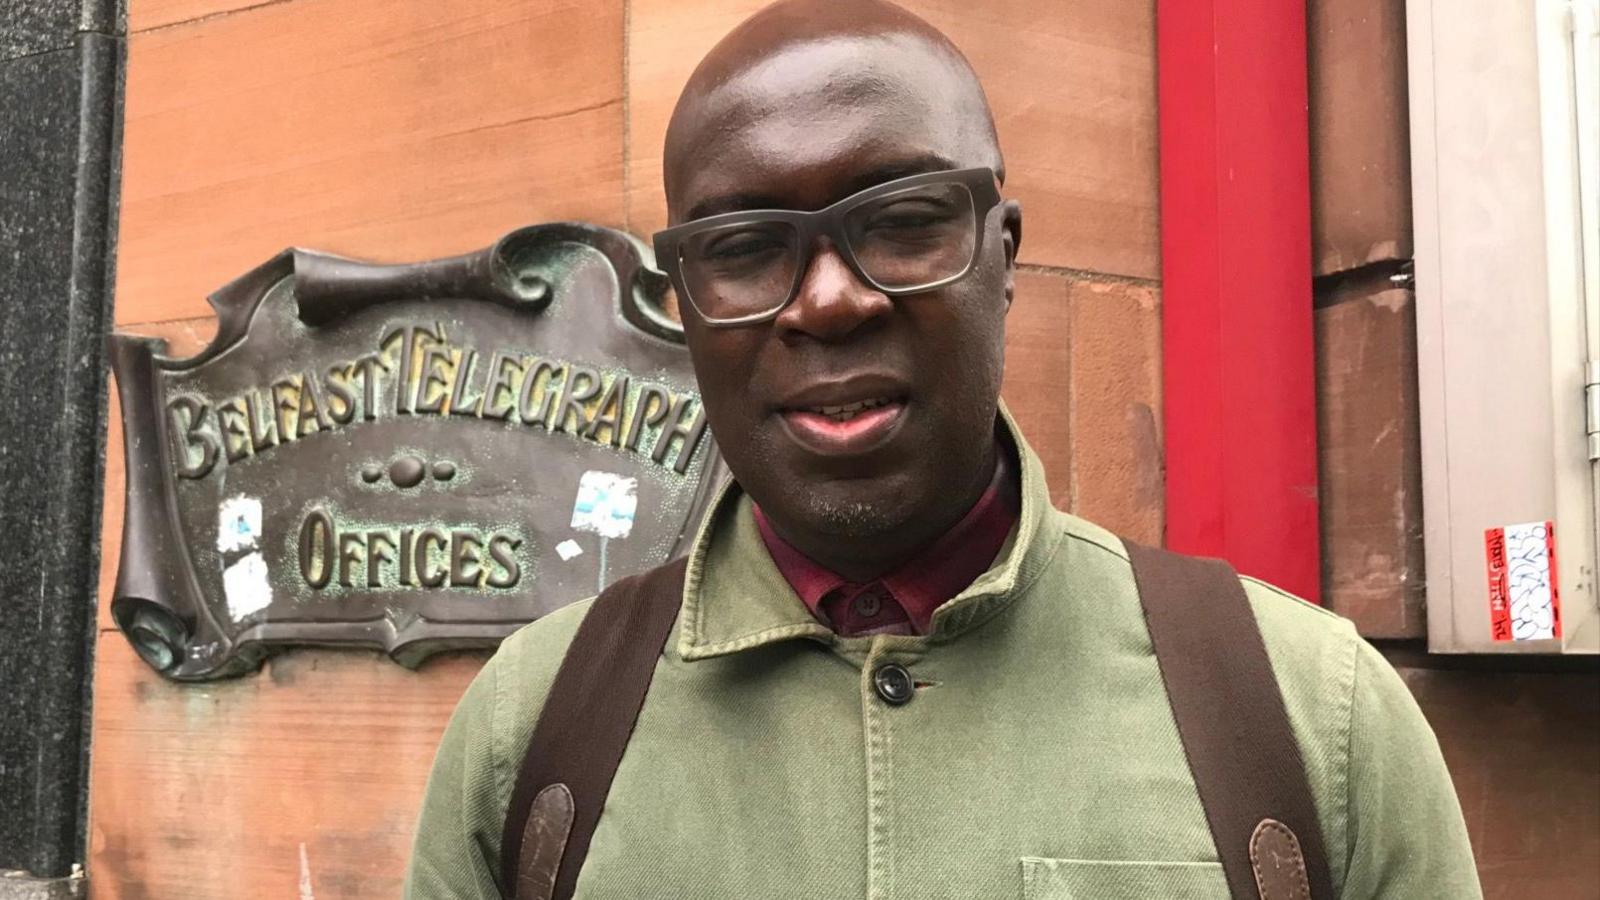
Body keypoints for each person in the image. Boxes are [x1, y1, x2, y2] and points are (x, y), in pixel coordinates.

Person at [405, 1, 1481, 897]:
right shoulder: (533, 735)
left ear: (1000, 256)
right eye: (742, 248)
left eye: (901, 220)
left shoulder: (1310, 722)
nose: (828, 302)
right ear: (683, 305)